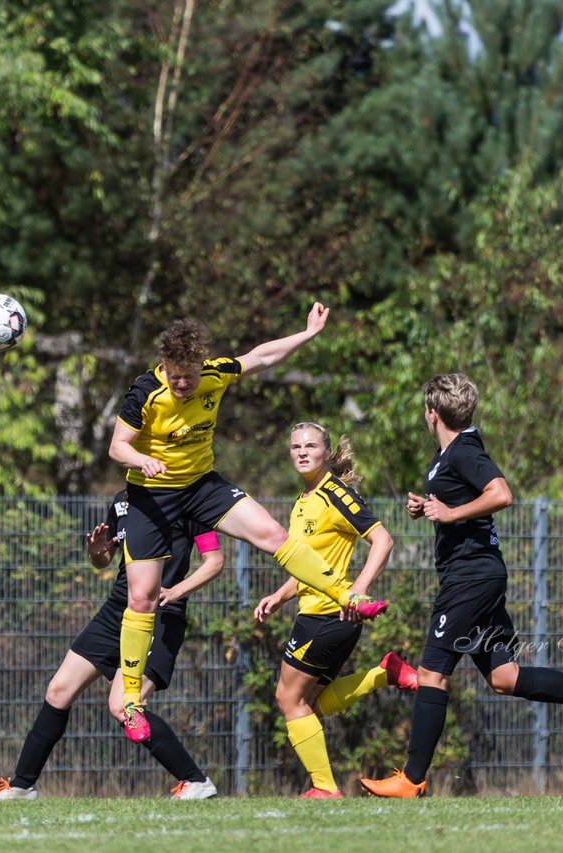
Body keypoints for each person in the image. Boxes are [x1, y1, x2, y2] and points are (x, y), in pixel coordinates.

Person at [109, 303, 387, 743]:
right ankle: (131, 703)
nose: (183, 384)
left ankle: (348, 594)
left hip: (201, 486)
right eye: (175, 375)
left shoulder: (215, 374)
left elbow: (261, 356)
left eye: (190, 376)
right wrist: (142, 458)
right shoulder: (145, 391)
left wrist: (308, 333)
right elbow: (117, 446)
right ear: (164, 366)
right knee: (141, 597)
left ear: (202, 365)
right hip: (151, 496)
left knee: (274, 534)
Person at [360, 373, 563, 798]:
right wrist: (429, 507)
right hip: (478, 576)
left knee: (432, 674)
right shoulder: (448, 452)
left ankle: (412, 779)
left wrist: (451, 515)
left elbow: (501, 493)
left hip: (469, 579)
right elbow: (464, 500)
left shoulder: (464, 448)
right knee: (506, 677)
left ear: (432, 413)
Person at [0, 489, 224, 801]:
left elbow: (215, 560)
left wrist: (177, 590)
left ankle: (196, 781)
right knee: (58, 691)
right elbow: (103, 561)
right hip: (116, 611)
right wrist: (97, 552)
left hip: (159, 615)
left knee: (123, 705)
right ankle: (22, 786)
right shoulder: (121, 502)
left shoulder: (185, 498)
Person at [253, 421, 416, 799]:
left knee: (287, 699)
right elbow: (309, 566)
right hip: (322, 614)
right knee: (308, 704)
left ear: (327, 453)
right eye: (296, 447)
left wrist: (358, 590)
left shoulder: (335, 494)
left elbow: (383, 539)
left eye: (311, 446)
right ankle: (383, 673)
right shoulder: (302, 501)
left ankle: (325, 788)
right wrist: (279, 596)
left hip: (328, 615)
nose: (303, 452)